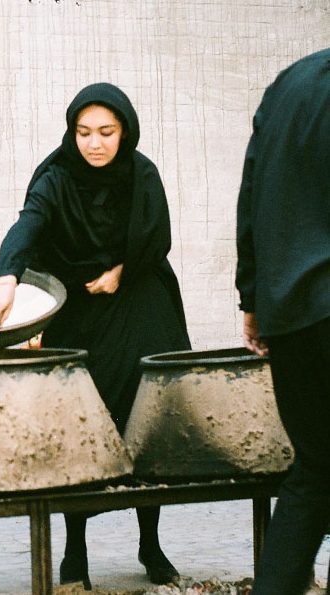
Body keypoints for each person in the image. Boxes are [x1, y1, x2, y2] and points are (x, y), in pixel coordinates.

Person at [0, 83, 191, 589]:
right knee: (80, 425)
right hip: (78, 309)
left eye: (106, 132)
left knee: (148, 420)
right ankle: (74, 550)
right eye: (83, 132)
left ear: (125, 131)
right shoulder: (54, 178)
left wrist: (121, 269)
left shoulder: (143, 174)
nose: (94, 143)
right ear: (71, 131)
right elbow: (27, 227)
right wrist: (8, 276)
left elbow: (157, 235)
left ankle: (151, 540)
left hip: (140, 299)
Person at [235, 48, 330, 595]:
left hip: (290, 310)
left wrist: (253, 298)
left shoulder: (288, 84)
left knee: (315, 471)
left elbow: (250, 195)